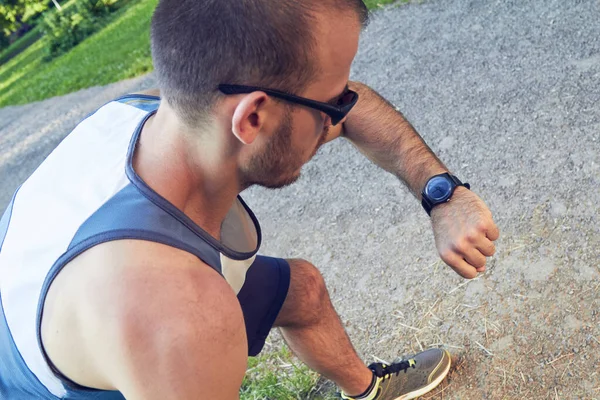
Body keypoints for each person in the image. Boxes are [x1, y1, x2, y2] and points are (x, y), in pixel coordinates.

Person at [0, 0, 499, 399]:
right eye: (333, 102)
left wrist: (442, 193)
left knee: (301, 290)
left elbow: (356, 105)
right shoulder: (180, 314)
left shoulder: (165, 111)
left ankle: (366, 391)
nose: (341, 114)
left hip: (49, 294)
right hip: (59, 372)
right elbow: (171, 313)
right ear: (252, 120)